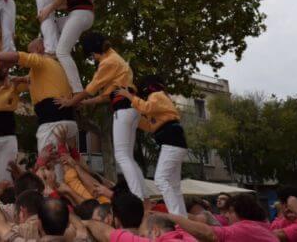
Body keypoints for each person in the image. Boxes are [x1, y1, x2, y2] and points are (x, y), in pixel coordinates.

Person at [55, 33, 146, 199]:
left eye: (92, 55)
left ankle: (137, 198)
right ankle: (142, 196)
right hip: (131, 109)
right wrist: (83, 103)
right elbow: (105, 96)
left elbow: (91, 88)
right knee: (128, 157)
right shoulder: (116, 59)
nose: (94, 59)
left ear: (95, 50)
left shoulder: (108, 62)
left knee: (122, 156)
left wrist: (70, 102)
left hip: (123, 109)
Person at [0, 37, 79, 162]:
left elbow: (18, 57)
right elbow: (28, 81)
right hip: (68, 121)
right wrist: (20, 79)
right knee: (70, 164)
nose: (30, 54)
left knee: (50, 167)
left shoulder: (41, 60)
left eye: (31, 51)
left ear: (39, 49)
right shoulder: (56, 65)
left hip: (53, 123)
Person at [116, 75, 187, 215]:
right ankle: (181, 217)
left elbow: (146, 107)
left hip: (171, 142)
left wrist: (129, 96)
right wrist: (134, 116)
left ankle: (176, 215)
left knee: (160, 179)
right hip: (175, 142)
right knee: (174, 185)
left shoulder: (157, 95)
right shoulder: (161, 98)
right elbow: (150, 126)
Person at [37, 0, 94, 94]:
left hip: (80, 14)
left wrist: (48, 8)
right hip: (83, 13)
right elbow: (69, 0)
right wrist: (51, 9)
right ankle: (50, 48)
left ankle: (77, 91)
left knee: (62, 51)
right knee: (53, 24)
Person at [163, 193, 277, 242]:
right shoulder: (264, 226)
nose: (227, 216)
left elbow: (208, 233)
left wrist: (172, 216)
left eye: (230, 212)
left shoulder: (245, 228)